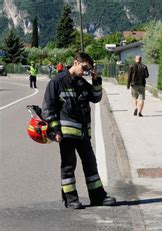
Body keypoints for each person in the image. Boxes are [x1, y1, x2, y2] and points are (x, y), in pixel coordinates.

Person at [42, 52, 116, 209]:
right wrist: (55, 130)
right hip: (66, 135)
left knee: (91, 164)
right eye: (84, 67)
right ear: (75, 62)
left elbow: (95, 98)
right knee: (68, 166)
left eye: (88, 69)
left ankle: (98, 197)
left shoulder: (82, 82)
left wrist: (96, 80)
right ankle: (70, 199)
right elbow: (48, 109)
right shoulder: (58, 82)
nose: (85, 71)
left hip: (83, 134)